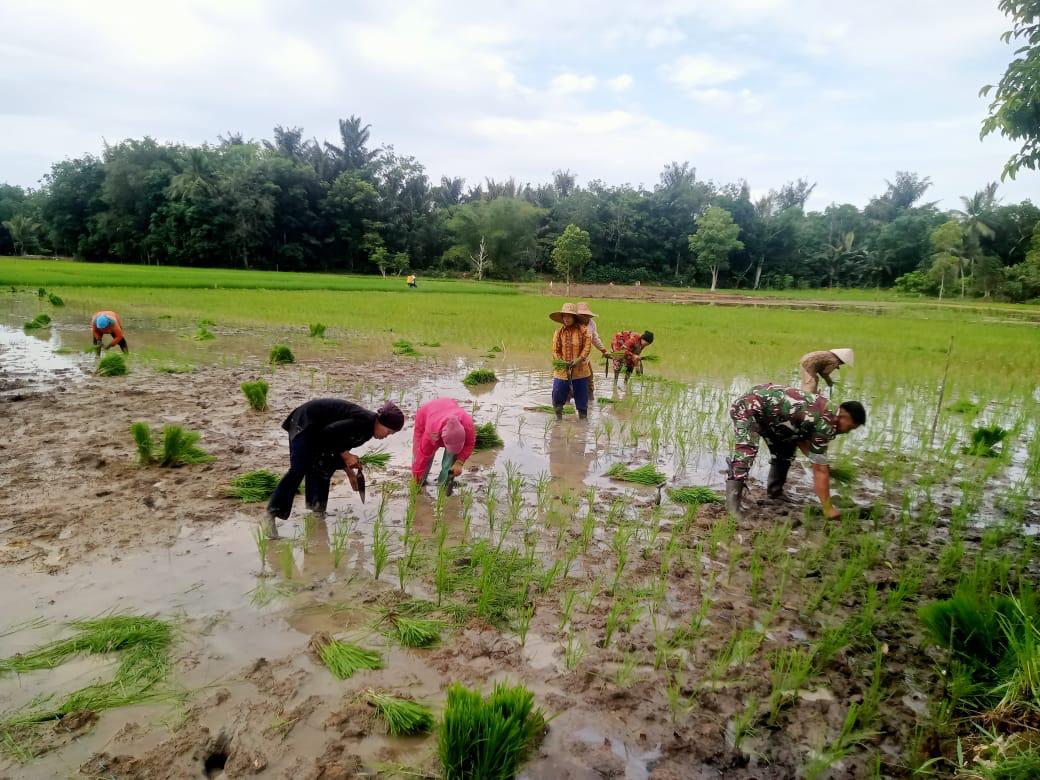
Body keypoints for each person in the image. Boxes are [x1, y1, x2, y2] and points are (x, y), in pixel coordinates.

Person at [264, 399, 405, 538]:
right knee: (298, 469)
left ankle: (317, 509)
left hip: (318, 430)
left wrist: (350, 473)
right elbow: (329, 433)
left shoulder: (368, 431)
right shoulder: (364, 422)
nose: (387, 436)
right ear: (381, 422)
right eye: (389, 431)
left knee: (325, 464)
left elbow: (338, 445)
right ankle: (270, 514)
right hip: (306, 423)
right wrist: (346, 455)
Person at [725, 384, 866, 522]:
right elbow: (819, 470)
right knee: (746, 451)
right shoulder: (826, 423)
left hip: (771, 415)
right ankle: (732, 507)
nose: (848, 431)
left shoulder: (828, 412)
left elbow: (801, 440)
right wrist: (828, 508)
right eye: (851, 427)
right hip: (748, 408)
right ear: (845, 416)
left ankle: (775, 493)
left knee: (786, 447)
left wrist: (822, 464)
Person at [411, 397, 476, 488]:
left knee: (451, 457)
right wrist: (416, 479)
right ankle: (420, 481)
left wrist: (459, 462)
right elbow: (423, 454)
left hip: (448, 406)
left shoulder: (468, 425)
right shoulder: (432, 431)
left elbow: (469, 444)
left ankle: (443, 484)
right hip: (426, 415)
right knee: (422, 456)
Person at [550, 303, 592, 420]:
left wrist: (579, 359)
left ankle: (582, 426)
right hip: (562, 371)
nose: (566, 319)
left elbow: (587, 347)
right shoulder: (558, 332)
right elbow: (555, 350)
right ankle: (558, 422)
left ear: (574, 318)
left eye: (569, 316)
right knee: (557, 396)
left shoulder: (584, 331)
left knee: (582, 402)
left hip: (580, 371)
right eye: (564, 316)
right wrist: (561, 361)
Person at [573, 302, 607, 400]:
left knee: (589, 377)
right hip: (572, 356)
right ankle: (567, 399)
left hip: (584, 357)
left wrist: (604, 350)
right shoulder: (574, 324)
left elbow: (595, 338)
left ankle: (590, 397)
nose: (584, 317)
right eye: (582, 315)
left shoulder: (592, 323)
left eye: (586, 315)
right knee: (570, 378)